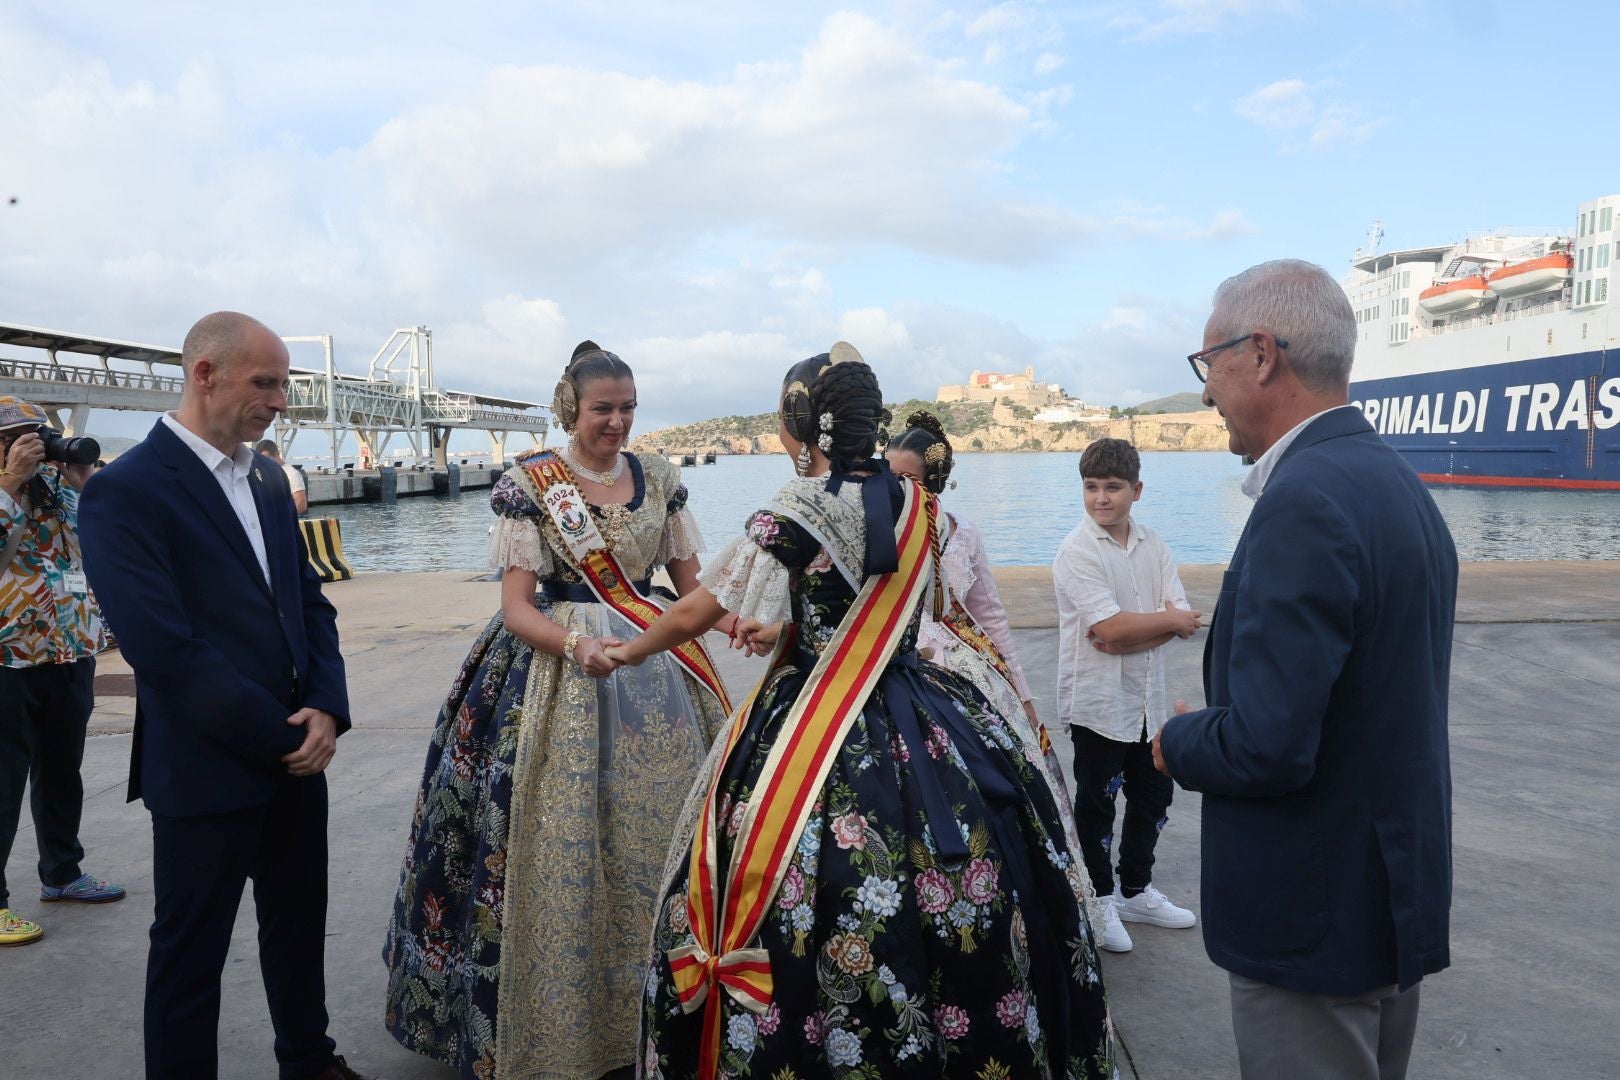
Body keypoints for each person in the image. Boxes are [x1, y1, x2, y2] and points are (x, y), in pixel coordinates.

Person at [607, 345, 1113, 1080]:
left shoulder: (796, 508)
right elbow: (912, 610)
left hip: (817, 716)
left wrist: (627, 652)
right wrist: (792, 632)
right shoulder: (922, 506)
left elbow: (693, 611)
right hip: (932, 715)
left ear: (798, 425)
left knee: (779, 871)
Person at [382, 341, 734, 1080]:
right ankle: (556, 1024)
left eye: (628, 408)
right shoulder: (531, 485)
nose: (617, 422)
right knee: (558, 840)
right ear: (571, 407)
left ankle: (659, 1009)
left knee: (659, 838)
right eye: (603, 409)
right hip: (555, 674)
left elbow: (689, 584)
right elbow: (514, 607)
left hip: (653, 672)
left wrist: (736, 622)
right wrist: (576, 648)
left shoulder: (661, 478)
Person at [1158, 259, 1457, 1079]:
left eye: (1208, 363)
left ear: (1260, 354)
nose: (1205, 392)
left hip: (1313, 925)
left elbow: (1268, 745)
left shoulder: (1305, 502)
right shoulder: (1396, 484)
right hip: (1382, 908)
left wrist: (1178, 740)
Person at [79, 312, 367, 1080]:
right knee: (189, 954)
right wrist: (287, 733)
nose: (279, 400)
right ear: (205, 374)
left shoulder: (269, 478)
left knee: (299, 930)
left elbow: (308, 604)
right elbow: (165, 650)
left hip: (300, 755)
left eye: (284, 384)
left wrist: (329, 708)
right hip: (208, 766)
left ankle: (309, 1059)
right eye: (264, 383)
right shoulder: (124, 491)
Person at [885, 411, 1101, 934]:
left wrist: (1020, 692)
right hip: (898, 656)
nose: (892, 488)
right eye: (886, 475)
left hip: (967, 659)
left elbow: (992, 617)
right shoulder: (878, 532)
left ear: (933, 483)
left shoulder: (962, 534)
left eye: (905, 479)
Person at [1053, 437, 1201, 954]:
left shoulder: (1154, 545)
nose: (1101, 498)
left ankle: (1137, 890)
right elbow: (1113, 629)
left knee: (1154, 795)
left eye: (1113, 487)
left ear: (1136, 490)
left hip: (1146, 701)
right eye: (1091, 487)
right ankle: (1100, 900)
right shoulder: (1077, 551)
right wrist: (1156, 625)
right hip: (1097, 702)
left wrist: (1141, 629)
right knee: (1097, 803)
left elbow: (1176, 620)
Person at [0, 397, 123, 949]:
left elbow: (103, 542)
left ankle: (63, 874)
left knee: (61, 771)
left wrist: (79, 477)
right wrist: (10, 484)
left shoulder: (60, 490)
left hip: (69, 651)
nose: (36, 445)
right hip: (8, 655)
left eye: (40, 434)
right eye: (20, 436)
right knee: (1, 783)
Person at [255, 438, 308, 515]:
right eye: (261, 459)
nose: (264, 462)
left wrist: (280, 520)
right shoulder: (263, 473)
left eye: (267, 458)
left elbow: (301, 505)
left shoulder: (292, 474)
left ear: (277, 454)